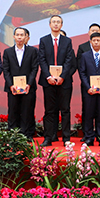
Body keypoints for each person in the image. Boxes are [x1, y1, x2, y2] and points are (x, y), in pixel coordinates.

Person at [38, 15, 76, 145]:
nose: (55, 24)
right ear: (49, 24)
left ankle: (66, 138)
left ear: (61, 25)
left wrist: (62, 76)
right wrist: (48, 76)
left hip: (64, 81)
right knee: (49, 110)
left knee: (65, 110)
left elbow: (69, 60)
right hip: (48, 81)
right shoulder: (43, 40)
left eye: (58, 22)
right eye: (53, 22)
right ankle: (48, 137)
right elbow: (41, 59)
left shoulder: (67, 41)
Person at [2, 27, 39, 140]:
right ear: (13, 37)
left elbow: (34, 69)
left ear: (26, 37)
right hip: (13, 88)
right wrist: (10, 85)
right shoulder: (7, 52)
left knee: (27, 110)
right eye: (17, 35)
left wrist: (29, 84)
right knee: (13, 111)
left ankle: (27, 135)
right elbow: (6, 70)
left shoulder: (33, 51)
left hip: (28, 87)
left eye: (22, 35)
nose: (19, 37)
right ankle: (13, 136)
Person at [78, 31, 100, 147]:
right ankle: (89, 138)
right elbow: (82, 72)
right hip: (89, 92)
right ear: (90, 42)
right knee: (88, 114)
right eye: (94, 40)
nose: (96, 42)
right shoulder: (85, 55)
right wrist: (88, 87)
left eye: (98, 40)